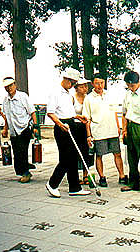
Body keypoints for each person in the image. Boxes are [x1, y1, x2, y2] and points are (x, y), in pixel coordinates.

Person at [45, 68, 91, 198]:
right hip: (62, 127)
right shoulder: (55, 93)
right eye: (71, 82)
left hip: (71, 124)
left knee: (73, 157)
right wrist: (60, 124)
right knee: (66, 158)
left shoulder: (67, 94)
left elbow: (68, 112)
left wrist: (78, 117)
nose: (72, 86)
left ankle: (74, 187)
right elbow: (51, 113)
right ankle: (52, 184)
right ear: (65, 79)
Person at [82, 72, 127, 187]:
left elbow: (115, 112)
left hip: (112, 130)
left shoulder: (109, 95)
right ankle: (102, 177)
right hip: (98, 131)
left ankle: (122, 175)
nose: (100, 85)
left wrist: (118, 127)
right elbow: (87, 119)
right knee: (99, 155)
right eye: (97, 83)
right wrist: (88, 135)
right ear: (92, 84)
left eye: (102, 83)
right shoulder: (88, 99)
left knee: (117, 153)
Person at [2, 77, 38, 183]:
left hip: (24, 128)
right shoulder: (5, 100)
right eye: (7, 87)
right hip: (13, 131)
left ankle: (26, 172)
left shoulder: (22, 96)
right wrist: (5, 129)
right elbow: (7, 117)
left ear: (15, 85)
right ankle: (23, 169)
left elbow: (32, 112)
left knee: (22, 151)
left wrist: (36, 127)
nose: (9, 88)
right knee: (16, 152)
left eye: (11, 85)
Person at [73, 77, 93, 185]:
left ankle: (86, 175)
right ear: (76, 88)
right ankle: (75, 175)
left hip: (86, 127)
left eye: (86, 86)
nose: (84, 88)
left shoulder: (88, 98)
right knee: (75, 151)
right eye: (81, 86)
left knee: (86, 151)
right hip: (75, 126)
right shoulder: (72, 98)